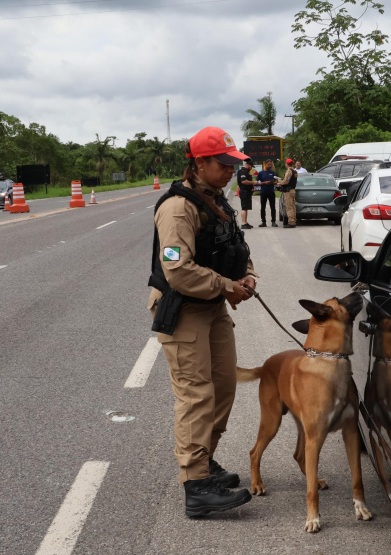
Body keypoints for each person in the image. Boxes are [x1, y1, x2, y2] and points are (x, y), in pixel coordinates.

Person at [147, 126, 257, 517]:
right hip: (183, 310)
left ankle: (205, 460)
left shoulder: (217, 201)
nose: (231, 170)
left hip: (212, 308)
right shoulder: (178, 208)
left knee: (224, 386)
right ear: (199, 163)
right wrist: (227, 285)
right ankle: (196, 485)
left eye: (233, 163)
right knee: (196, 394)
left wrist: (247, 276)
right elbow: (177, 270)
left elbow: (235, 246)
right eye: (223, 163)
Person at [256, 159, 278, 227]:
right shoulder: (261, 173)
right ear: (265, 164)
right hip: (263, 192)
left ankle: (273, 221)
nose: (270, 165)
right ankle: (263, 221)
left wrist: (274, 182)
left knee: (273, 207)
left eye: (271, 164)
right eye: (269, 164)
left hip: (271, 191)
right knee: (263, 207)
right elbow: (257, 183)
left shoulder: (272, 172)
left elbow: (276, 181)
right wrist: (265, 183)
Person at [235, 159, 257, 229]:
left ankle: (246, 222)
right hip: (244, 191)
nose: (251, 168)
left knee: (246, 207)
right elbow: (244, 181)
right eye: (251, 167)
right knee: (244, 207)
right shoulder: (243, 171)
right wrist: (253, 183)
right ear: (248, 165)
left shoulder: (246, 171)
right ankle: (243, 223)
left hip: (247, 191)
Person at [278, 158, 298, 228]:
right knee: (293, 207)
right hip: (293, 190)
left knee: (289, 207)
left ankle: (291, 222)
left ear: (286, 164)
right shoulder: (295, 171)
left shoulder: (289, 171)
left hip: (288, 191)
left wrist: (279, 180)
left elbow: (285, 181)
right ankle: (294, 220)